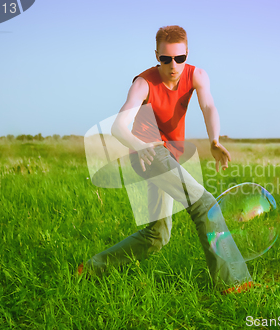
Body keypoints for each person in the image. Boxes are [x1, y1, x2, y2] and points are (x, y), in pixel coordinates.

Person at [79, 25, 255, 294]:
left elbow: (208, 106)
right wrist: (140, 146)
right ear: (156, 56)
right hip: (149, 153)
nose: (173, 66)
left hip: (169, 156)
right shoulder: (143, 83)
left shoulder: (197, 75)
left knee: (157, 235)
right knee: (205, 204)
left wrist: (214, 140)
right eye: (165, 59)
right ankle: (233, 282)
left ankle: (92, 268)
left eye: (179, 58)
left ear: (187, 54)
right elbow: (118, 126)